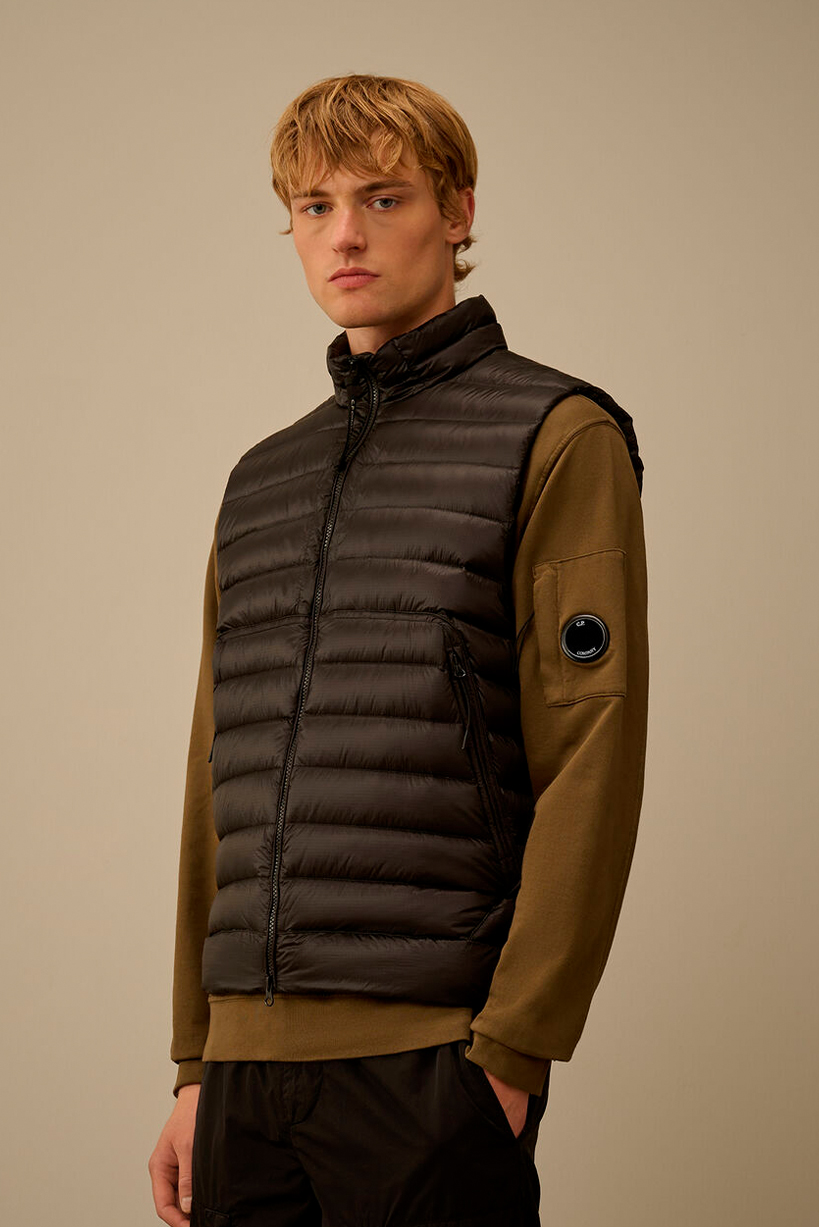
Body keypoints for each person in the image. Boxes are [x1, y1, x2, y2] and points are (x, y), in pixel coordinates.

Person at [148, 73, 649, 1227]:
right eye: (315, 206)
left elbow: (595, 747)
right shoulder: (262, 479)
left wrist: (514, 1049)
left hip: (431, 1059)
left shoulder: (556, 436)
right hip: (243, 1078)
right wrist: (196, 1060)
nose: (346, 235)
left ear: (458, 212)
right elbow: (215, 773)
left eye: (383, 197)